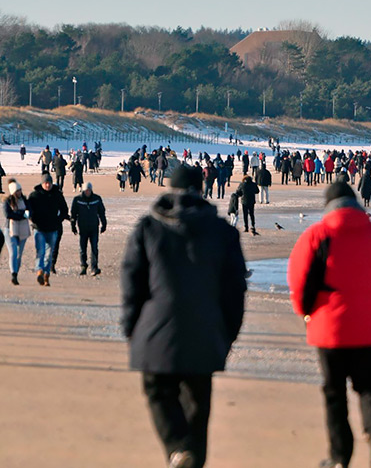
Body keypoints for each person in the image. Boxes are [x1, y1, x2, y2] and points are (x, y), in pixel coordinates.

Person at [121, 165, 247, 468]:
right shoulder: (223, 232)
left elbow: (131, 284)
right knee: (198, 404)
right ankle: (187, 455)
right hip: (206, 330)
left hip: (155, 328)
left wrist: (132, 328)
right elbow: (235, 292)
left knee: (158, 391)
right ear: (202, 189)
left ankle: (177, 449)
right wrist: (228, 334)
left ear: (168, 188)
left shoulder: (147, 228)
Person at [287, 182, 371, 468]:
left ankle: (340, 458)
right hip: (370, 327)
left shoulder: (317, 234)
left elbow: (300, 279)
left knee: (335, 395)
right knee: (369, 388)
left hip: (329, 330)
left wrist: (304, 312)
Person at [27, 173, 69, 287]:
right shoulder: (35, 195)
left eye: (49, 183)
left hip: (52, 228)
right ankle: (39, 271)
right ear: (42, 183)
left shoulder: (57, 194)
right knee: (40, 251)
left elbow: (64, 210)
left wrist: (58, 220)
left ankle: (46, 274)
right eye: (46, 183)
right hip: (39, 228)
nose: (48, 185)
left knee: (49, 253)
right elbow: (29, 210)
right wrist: (33, 219)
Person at [70, 182, 107, 276]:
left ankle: (94, 267)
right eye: (86, 190)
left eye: (89, 190)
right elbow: (73, 213)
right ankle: (83, 266)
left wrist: (104, 224)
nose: (88, 192)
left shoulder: (97, 199)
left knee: (94, 248)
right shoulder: (77, 200)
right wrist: (73, 225)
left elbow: (101, 212)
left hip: (94, 227)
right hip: (82, 228)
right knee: (83, 248)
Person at [4, 179, 31, 285]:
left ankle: (16, 272)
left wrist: (24, 214)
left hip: (23, 229)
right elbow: (8, 214)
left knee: (19, 254)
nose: (19, 193)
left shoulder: (24, 200)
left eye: (20, 190)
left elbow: (30, 211)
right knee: (13, 253)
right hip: (10, 230)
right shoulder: (7, 201)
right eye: (17, 191)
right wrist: (21, 215)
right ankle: (13, 274)